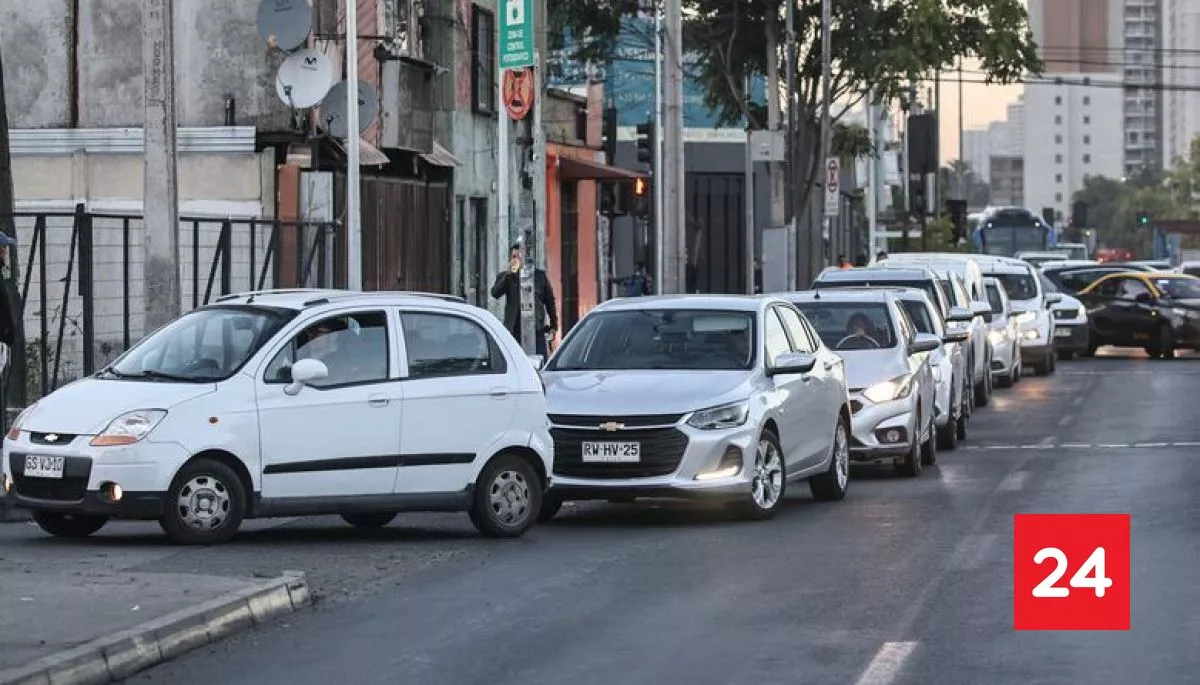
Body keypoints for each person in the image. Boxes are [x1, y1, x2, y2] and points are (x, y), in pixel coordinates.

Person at [491, 243, 559, 355]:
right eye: (514, 257)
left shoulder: (539, 276)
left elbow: (550, 301)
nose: (517, 259)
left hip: (536, 329)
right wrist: (508, 274)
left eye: (519, 256)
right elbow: (495, 293)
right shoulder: (507, 277)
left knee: (538, 360)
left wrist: (553, 325)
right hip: (514, 330)